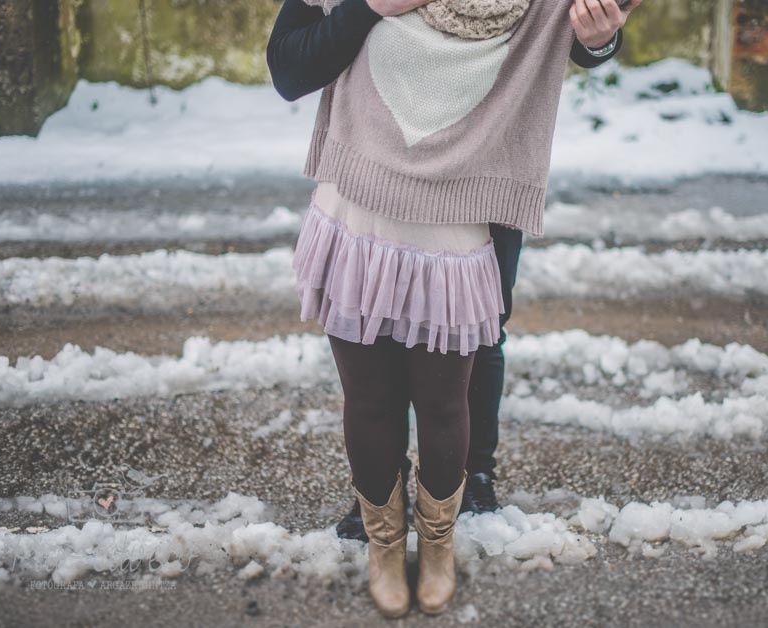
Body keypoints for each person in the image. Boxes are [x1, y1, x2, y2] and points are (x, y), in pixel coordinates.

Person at [267, 0, 636, 617]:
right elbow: (290, 69)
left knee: (470, 355)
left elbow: (576, 29)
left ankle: (465, 492)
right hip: (367, 189)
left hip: (477, 189)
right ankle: (384, 518)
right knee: (372, 381)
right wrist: (370, 8)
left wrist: (599, 40)